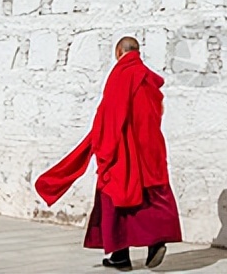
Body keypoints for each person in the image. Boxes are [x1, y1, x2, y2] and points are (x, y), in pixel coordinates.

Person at [35, 37, 182, 270]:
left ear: (118, 52)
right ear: (138, 51)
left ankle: (121, 256)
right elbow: (155, 114)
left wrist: (103, 148)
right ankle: (155, 242)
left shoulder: (121, 74)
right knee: (152, 198)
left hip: (122, 150)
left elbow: (110, 115)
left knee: (115, 201)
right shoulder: (148, 79)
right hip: (150, 150)